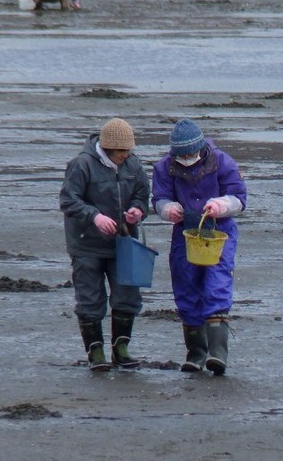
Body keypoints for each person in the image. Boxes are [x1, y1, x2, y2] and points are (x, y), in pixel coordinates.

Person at [151, 119, 247, 376]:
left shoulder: (222, 161)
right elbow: (159, 198)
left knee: (217, 285)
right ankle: (196, 353)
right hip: (185, 234)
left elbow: (239, 198)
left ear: (201, 147)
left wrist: (220, 205)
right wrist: (167, 209)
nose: (186, 158)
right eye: (181, 155)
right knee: (186, 287)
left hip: (219, 232)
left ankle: (218, 353)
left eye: (190, 154)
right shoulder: (164, 167)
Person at [59, 117, 150, 371]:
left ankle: (121, 349)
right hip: (86, 244)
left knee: (127, 295)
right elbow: (68, 200)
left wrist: (137, 211)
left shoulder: (133, 164)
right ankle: (95, 352)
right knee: (89, 298)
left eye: (129, 151)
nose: (126, 156)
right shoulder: (81, 165)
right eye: (122, 152)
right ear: (108, 148)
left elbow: (143, 194)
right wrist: (95, 217)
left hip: (123, 243)